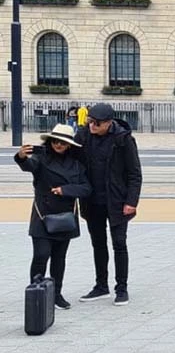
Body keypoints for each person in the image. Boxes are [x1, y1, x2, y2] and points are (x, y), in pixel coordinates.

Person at [15, 125, 92, 310]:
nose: (59, 145)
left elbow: (86, 188)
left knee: (59, 257)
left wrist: (65, 190)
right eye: (56, 141)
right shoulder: (41, 158)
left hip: (65, 216)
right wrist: (21, 157)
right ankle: (37, 290)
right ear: (50, 141)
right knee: (41, 254)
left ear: (69, 145)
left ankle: (56, 294)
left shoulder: (76, 165)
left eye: (63, 142)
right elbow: (29, 166)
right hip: (43, 214)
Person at [74, 103, 142, 306]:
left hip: (117, 201)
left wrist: (131, 201)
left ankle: (121, 288)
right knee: (98, 244)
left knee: (119, 244)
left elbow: (134, 174)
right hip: (92, 200)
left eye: (97, 123)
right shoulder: (84, 136)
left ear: (109, 123)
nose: (92, 126)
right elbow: (68, 156)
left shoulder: (123, 139)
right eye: (90, 121)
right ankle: (101, 286)